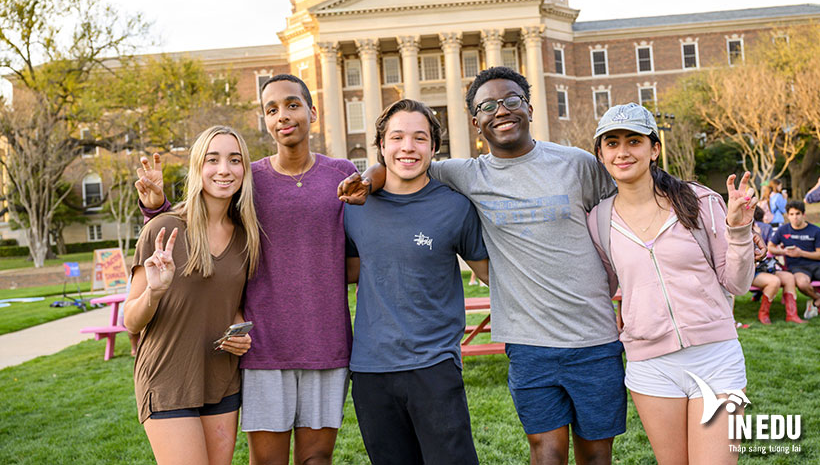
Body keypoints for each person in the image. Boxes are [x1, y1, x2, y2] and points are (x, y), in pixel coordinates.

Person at [341, 67, 626, 465]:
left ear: (528, 106)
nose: (501, 111)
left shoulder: (576, 164)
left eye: (511, 100)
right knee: (547, 452)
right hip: (528, 342)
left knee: (597, 453)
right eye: (487, 106)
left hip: (594, 336)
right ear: (475, 122)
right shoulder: (466, 175)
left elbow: (631, 206)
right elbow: (402, 166)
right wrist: (370, 176)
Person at [136, 74, 358, 465]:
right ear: (264, 121)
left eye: (292, 105)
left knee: (317, 460)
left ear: (313, 111)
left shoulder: (341, 174)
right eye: (271, 109)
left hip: (328, 343)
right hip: (264, 349)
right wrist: (158, 211)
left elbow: (360, 245)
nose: (283, 116)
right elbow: (205, 215)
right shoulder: (250, 180)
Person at [588, 103, 755, 465]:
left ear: (654, 149)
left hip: (715, 358)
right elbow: (601, 288)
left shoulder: (698, 201)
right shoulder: (598, 221)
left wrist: (739, 231)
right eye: (612, 144)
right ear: (600, 154)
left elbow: (738, 284)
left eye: (634, 141)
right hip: (651, 367)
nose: (623, 152)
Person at [344, 99, 489, 465]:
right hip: (370, 370)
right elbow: (345, 270)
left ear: (433, 148)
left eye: (419, 138)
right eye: (397, 137)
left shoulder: (456, 207)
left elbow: (490, 273)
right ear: (381, 145)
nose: (407, 147)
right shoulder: (353, 206)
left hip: (434, 367)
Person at [124, 125, 261, 465]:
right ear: (198, 167)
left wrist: (240, 331)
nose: (224, 170)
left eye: (234, 160)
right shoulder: (163, 228)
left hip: (221, 380)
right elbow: (131, 319)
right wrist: (154, 293)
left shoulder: (247, 237)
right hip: (169, 379)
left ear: (245, 169)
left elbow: (230, 303)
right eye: (212, 159)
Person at [768, 200, 820, 320]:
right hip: (797, 268)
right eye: (791, 214)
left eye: (797, 214)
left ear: (803, 215)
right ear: (787, 215)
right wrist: (783, 252)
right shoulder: (783, 230)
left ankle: (815, 303)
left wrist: (801, 253)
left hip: (816, 264)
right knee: (802, 283)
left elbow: (819, 254)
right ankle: (817, 299)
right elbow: (770, 247)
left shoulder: (815, 230)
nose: (795, 217)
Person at [752, 206, 803, 324]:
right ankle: (763, 314)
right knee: (774, 281)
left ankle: (792, 315)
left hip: (765, 267)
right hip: (750, 271)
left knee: (789, 277)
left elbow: (770, 248)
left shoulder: (761, 228)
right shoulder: (741, 230)